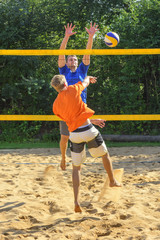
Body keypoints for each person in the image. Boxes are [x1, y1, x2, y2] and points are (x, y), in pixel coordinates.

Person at [51, 74, 121, 213]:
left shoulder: (56, 105)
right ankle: (112, 181)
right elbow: (85, 82)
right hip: (88, 130)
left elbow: (71, 118)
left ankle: (76, 201)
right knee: (105, 155)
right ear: (65, 82)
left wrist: (92, 120)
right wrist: (89, 77)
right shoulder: (73, 89)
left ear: (55, 89)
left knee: (76, 168)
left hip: (75, 134)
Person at [58, 22, 105, 170]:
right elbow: (60, 52)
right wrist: (66, 37)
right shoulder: (64, 71)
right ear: (66, 62)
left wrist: (91, 36)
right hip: (67, 109)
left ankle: (80, 161)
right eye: (71, 59)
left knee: (86, 136)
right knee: (64, 138)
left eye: (75, 60)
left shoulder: (82, 71)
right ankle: (63, 158)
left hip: (80, 108)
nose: (74, 61)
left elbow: (87, 53)